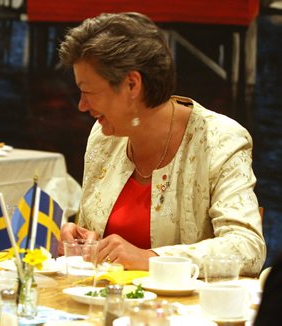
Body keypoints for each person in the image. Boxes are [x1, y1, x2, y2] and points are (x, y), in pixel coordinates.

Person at [57, 12, 265, 276]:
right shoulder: (103, 136)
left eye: (88, 92)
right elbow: (97, 238)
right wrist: (81, 239)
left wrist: (151, 258)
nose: (81, 105)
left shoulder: (221, 140)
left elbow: (247, 248)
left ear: (132, 84)